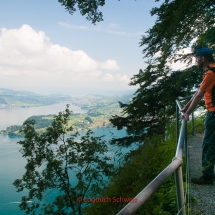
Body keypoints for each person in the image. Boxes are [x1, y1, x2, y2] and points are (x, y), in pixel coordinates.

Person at [181, 47, 215, 185]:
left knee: (208, 144)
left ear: (203, 58)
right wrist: (186, 108)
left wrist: (187, 113)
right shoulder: (212, 71)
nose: (195, 61)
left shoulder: (211, 73)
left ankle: (207, 176)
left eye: (196, 58)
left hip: (213, 113)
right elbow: (198, 92)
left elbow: (200, 95)